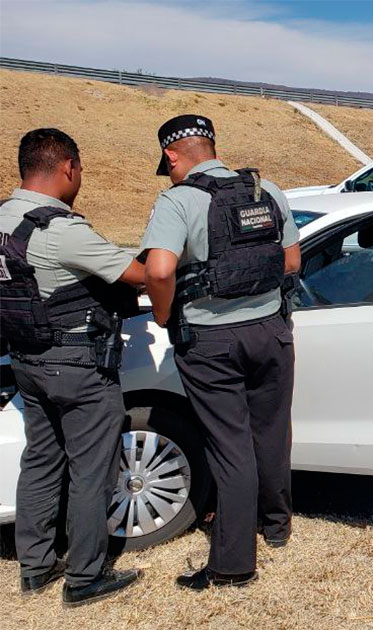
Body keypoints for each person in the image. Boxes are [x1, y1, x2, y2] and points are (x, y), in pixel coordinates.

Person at [140, 115, 300, 590]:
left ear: (172, 156)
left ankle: (232, 566)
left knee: (229, 448)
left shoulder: (178, 199)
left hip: (211, 341)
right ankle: (276, 526)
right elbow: (291, 260)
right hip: (271, 332)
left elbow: (160, 269)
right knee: (271, 433)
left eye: (165, 166)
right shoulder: (264, 189)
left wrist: (165, 316)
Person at [0, 128, 145, 606]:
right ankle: (85, 578)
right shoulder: (59, 229)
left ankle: (36, 566)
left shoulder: (3, 219)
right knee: (91, 470)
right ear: (67, 167)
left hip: (27, 359)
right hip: (78, 364)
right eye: (79, 169)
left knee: (40, 462)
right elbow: (138, 275)